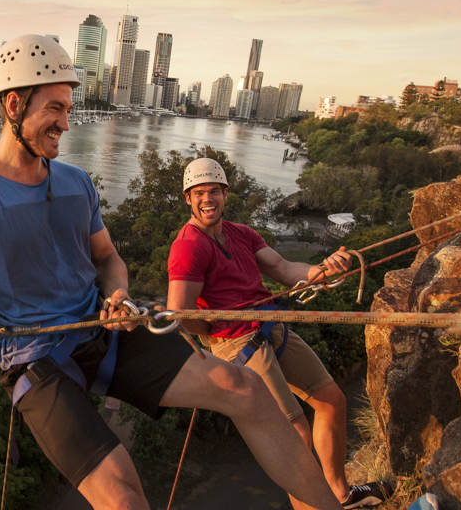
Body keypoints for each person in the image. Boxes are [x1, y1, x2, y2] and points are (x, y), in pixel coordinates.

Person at [0, 34, 340, 510]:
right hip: (37, 361)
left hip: (104, 330)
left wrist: (117, 294)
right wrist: (2, 345)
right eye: (55, 109)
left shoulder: (77, 183)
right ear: (14, 104)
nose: (66, 122)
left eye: (68, 109)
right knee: (123, 499)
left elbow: (107, 258)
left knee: (245, 388)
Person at [166, 157, 392, 509]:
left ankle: (341, 495)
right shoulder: (188, 246)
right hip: (236, 343)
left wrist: (323, 270)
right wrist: (216, 329)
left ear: (225, 194)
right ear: (188, 199)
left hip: (270, 326)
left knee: (331, 399)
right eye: (198, 193)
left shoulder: (242, 234)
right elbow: (180, 312)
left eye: (213, 191)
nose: (207, 199)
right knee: (293, 434)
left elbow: (286, 269)